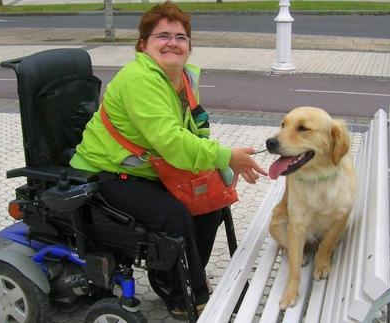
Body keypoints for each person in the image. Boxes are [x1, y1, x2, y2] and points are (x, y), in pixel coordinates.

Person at [70, 1, 267, 319]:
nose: (173, 43)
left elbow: (194, 128)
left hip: (148, 169)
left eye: (181, 37)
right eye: (163, 35)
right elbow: (172, 142)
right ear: (143, 44)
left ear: (189, 46)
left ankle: (175, 278)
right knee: (174, 216)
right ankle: (187, 296)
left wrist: (217, 164)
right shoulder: (140, 80)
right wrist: (225, 155)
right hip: (104, 172)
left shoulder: (181, 78)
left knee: (210, 201)